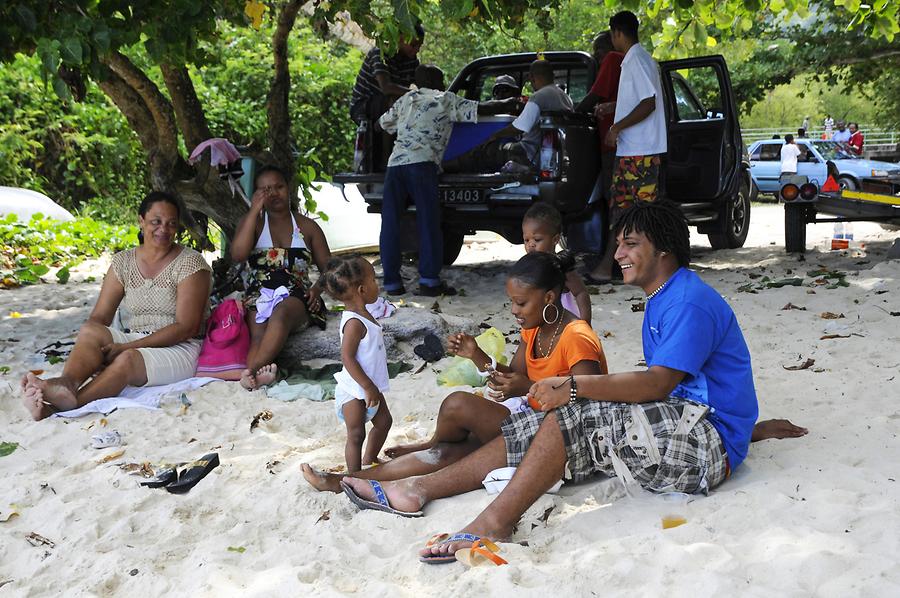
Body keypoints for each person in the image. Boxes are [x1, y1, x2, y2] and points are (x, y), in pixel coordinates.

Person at [340, 200, 767, 563]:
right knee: (541, 419)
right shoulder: (664, 297)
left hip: (707, 446)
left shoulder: (688, 301)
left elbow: (657, 385)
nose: (618, 252)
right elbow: (669, 388)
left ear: (666, 251)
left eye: (631, 244)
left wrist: (572, 387)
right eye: (618, 242)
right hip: (688, 425)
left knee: (570, 413)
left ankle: (494, 522)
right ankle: (416, 488)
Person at [301, 251, 607, 492]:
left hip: (556, 434)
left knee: (457, 406)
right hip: (527, 416)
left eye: (520, 303)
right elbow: (512, 378)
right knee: (445, 453)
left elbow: (586, 405)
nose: (514, 310)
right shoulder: (536, 327)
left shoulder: (576, 336)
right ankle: (347, 481)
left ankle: (406, 455)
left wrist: (524, 388)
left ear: (549, 298)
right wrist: (477, 355)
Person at [21, 192, 212, 420]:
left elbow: (186, 327)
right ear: (141, 221)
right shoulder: (123, 262)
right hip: (136, 339)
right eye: (156, 222)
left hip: (182, 349)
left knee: (127, 359)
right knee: (90, 330)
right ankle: (67, 384)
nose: (164, 229)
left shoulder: (191, 263)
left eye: (171, 223)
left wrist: (125, 348)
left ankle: (63, 408)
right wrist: (97, 355)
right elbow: (99, 318)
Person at [378, 64, 515, 297]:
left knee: (390, 223)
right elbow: (484, 108)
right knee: (429, 222)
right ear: (436, 82)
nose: (444, 85)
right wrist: (510, 103)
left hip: (395, 166)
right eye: (442, 80)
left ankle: (392, 283)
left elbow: (382, 124)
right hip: (423, 166)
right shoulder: (445, 100)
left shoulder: (406, 99)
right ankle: (429, 281)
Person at [230, 165, 332, 390]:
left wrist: (316, 289)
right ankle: (258, 375)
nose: (273, 193)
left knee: (280, 315)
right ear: (256, 194)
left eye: (279, 187)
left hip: (297, 294)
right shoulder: (254, 224)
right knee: (258, 333)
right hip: (260, 293)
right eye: (265, 190)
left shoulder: (307, 226)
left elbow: (330, 269)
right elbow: (238, 254)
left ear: (289, 188)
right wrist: (253, 211)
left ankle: (251, 374)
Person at [587, 10, 667, 285]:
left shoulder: (633, 60)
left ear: (616, 33)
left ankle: (611, 267)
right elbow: (643, 101)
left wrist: (616, 126)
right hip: (640, 150)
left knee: (627, 211)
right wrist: (615, 108)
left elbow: (648, 103)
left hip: (638, 152)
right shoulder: (643, 59)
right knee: (633, 212)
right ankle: (623, 267)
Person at [322, 256, 393, 473]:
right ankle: (355, 475)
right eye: (374, 280)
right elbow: (347, 358)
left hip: (370, 387)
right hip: (353, 390)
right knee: (356, 434)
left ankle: (368, 460)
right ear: (362, 290)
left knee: (384, 423)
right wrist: (368, 386)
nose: (377, 284)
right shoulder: (354, 322)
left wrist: (372, 387)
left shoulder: (365, 314)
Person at [575, 31, 624, 279]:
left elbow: (595, 94)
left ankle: (609, 263)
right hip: (613, 143)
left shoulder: (613, 59)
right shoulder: (626, 63)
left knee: (615, 203)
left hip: (615, 146)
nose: (596, 57)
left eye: (597, 51)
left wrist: (575, 110)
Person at [480, 59, 574, 168]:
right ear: (552, 75)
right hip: (556, 155)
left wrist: (494, 135)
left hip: (530, 153)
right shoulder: (566, 98)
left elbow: (520, 127)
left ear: (532, 78)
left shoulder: (539, 96)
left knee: (484, 151)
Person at [521, 203, 591, 324]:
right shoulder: (529, 267)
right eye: (526, 240)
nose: (530, 244)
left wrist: (585, 322)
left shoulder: (561, 267)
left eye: (537, 239)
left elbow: (581, 293)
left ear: (555, 239)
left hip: (564, 323)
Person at [349, 25, 424, 125]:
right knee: (393, 101)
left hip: (389, 104)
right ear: (399, 39)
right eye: (413, 45)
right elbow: (386, 88)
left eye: (419, 46)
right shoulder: (380, 53)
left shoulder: (412, 61)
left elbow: (422, 85)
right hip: (363, 106)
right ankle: (384, 136)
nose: (417, 50)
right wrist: (417, 94)